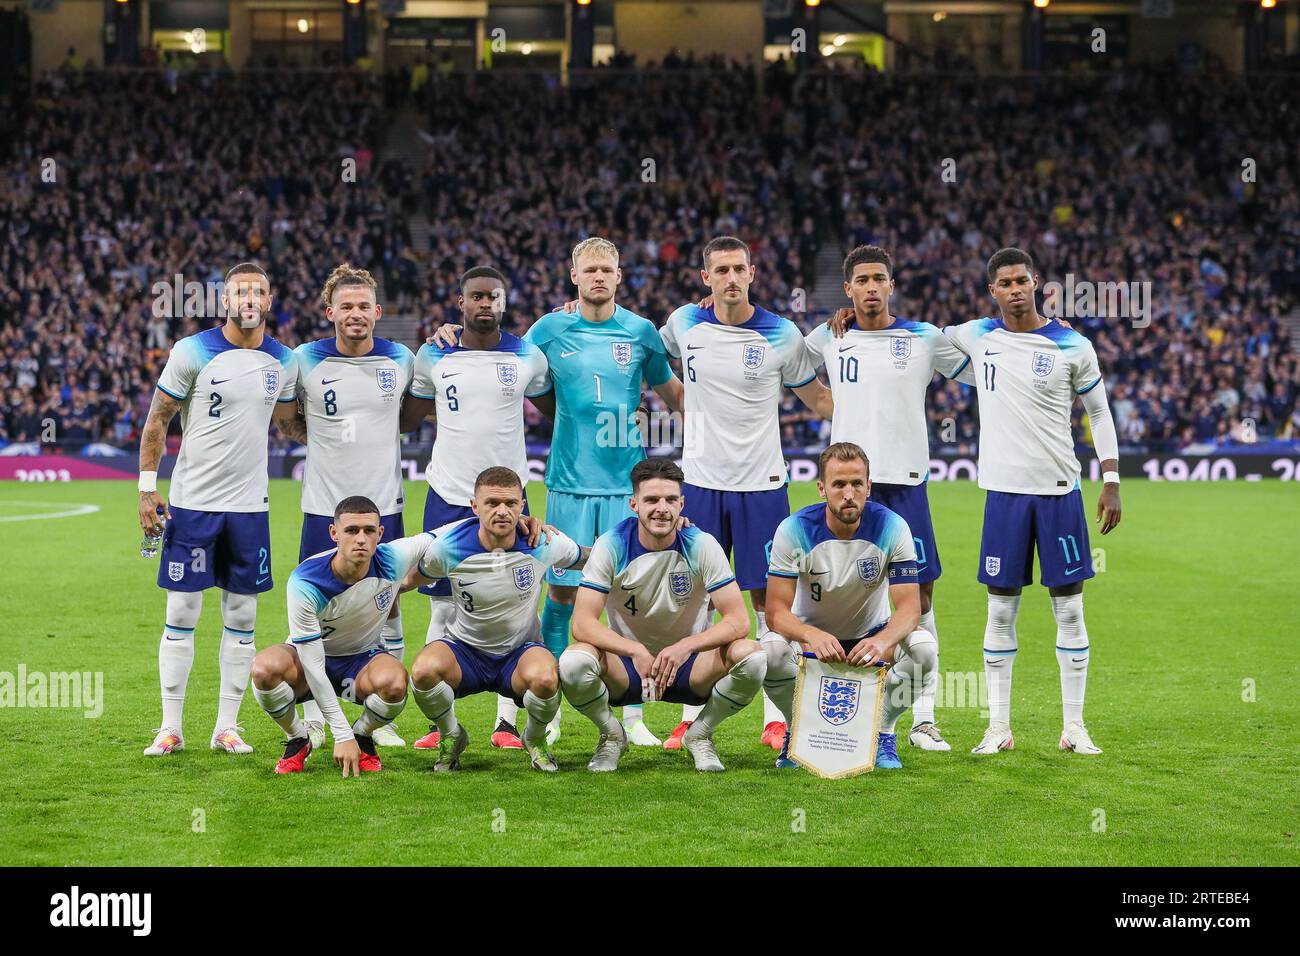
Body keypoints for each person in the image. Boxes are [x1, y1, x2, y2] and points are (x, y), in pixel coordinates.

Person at [434, 238, 685, 747]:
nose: (598, 277)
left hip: (625, 488)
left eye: (607, 270)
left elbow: (677, 395)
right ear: (574, 275)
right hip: (568, 485)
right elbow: (501, 355)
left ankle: (632, 715)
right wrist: (453, 334)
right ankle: (542, 710)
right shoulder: (547, 330)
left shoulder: (640, 333)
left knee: (626, 599)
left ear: (619, 276)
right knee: (561, 592)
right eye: (589, 269)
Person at [944, 247, 1122, 755]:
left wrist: (1111, 479)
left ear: (1038, 282)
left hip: (1060, 495)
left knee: (1070, 612)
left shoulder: (1073, 344)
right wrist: (848, 318)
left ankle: (1074, 727)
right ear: (992, 292)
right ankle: (998, 728)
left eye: (1023, 279)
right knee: (1000, 613)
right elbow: (915, 335)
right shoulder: (978, 336)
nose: (1016, 288)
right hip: (1003, 496)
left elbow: (1100, 413)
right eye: (1005, 282)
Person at [658, 235, 831, 751]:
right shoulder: (683, 323)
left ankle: (775, 721)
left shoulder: (782, 334)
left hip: (762, 486)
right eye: (721, 270)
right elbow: (647, 354)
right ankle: (690, 717)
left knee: (767, 606)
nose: (731, 278)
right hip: (701, 484)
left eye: (739, 269)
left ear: (752, 273)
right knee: (695, 604)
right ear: (705, 277)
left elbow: (820, 401)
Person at [809, 244, 971, 752]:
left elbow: (979, 366)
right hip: (849, 485)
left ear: (892, 285)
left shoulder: (923, 338)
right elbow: (780, 361)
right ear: (849, 289)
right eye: (863, 280)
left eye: (880, 278)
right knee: (839, 591)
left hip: (905, 484)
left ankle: (921, 719)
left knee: (920, 598)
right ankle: (832, 711)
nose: (872, 287)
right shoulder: (828, 337)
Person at [136, 262, 300, 757]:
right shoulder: (192, 351)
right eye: (239, 292)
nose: (249, 299)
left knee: (243, 615)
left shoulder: (284, 361)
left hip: (250, 507)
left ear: (269, 302)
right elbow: (157, 421)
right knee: (182, 609)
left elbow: (293, 426)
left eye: (258, 292)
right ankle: (170, 727)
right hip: (192, 504)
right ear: (225, 302)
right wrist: (147, 489)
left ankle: (226, 726)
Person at [403, 267, 550, 750]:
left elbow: (556, 407)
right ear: (461, 302)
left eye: (493, 296)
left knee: (515, 604)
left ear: (504, 301)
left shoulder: (528, 353)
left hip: (510, 499)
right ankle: (438, 720)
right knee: (443, 603)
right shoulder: (433, 353)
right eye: (476, 296)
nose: (484, 303)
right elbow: (407, 416)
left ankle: (505, 723)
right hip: (448, 494)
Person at [562, 457, 763, 772]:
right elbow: (582, 623)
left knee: (753, 657)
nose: (662, 508)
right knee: (573, 662)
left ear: (682, 503)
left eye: (671, 500)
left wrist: (686, 646)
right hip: (627, 670)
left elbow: (739, 621)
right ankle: (612, 736)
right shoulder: (611, 544)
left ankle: (700, 735)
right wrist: (634, 650)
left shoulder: (702, 544)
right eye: (652, 499)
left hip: (691, 669)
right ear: (634, 504)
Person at [285, 264, 414, 749]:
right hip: (323, 507)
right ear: (330, 312)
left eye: (364, 306)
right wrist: (314, 433)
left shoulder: (401, 358)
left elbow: (413, 412)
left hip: (384, 504)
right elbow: (285, 418)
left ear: (377, 312)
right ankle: (319, 714)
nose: (355, 314)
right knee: (314, 604)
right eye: (347, 306)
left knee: (392, 597)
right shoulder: (304, 360)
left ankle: (385, 713)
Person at [763, 442, 937, 770]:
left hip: (870, 640)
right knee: (768, 653)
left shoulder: (892, 526)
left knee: (925, 649)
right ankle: (795, 729)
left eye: (857, 484)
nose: (848, 493)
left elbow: (911, 609)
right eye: (839, 484)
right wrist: (809, 635)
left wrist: (883, 639)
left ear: (869, 487)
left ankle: (884, 732)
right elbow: (775, 612)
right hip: (811, 643)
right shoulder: (794, 529)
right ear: (821, 489)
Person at [404, 467, 587, 773]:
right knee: (423, 671)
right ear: (474, 506)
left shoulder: (542, 543)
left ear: (522, 506)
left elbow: (589, 557)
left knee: (546, 678)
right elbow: (411, 578)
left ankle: (535, 738)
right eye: (491, 503)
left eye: (511, 504)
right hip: (465, 652)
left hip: (519, 653)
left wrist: (649, 540)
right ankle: (452, 735)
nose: (502, 511)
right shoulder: (448, 547)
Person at [249, 497, 415, 776]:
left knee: (395, 681)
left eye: (368, 530)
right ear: (334, 533)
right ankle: (297, 739)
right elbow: (313, 665)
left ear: (380, 534)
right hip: (309, 662)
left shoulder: (394, 557)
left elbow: (440, 538)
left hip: (361, 661)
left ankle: (363, 735)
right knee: (264, 669)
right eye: (351, 531)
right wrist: (340, 734)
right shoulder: (305, 580)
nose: (361, 538)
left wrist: (509, 521)